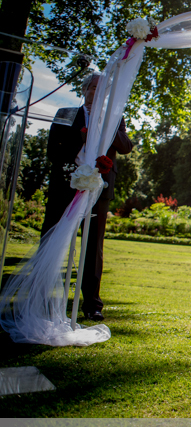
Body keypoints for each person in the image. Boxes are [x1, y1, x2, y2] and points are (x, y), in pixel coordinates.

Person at [41, 71, 134, 322]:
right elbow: (53, 150)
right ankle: (42, 298)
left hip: (99, 189)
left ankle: (93, 305)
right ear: (84, 90)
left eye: (104, 88)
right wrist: (81, 142)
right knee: (52, 238)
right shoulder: (66, 113)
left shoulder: (115, 118)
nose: (98, 91)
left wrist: (110, 124)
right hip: (66, 186)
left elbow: (126, 148)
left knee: (93, 247)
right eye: (94, 87)